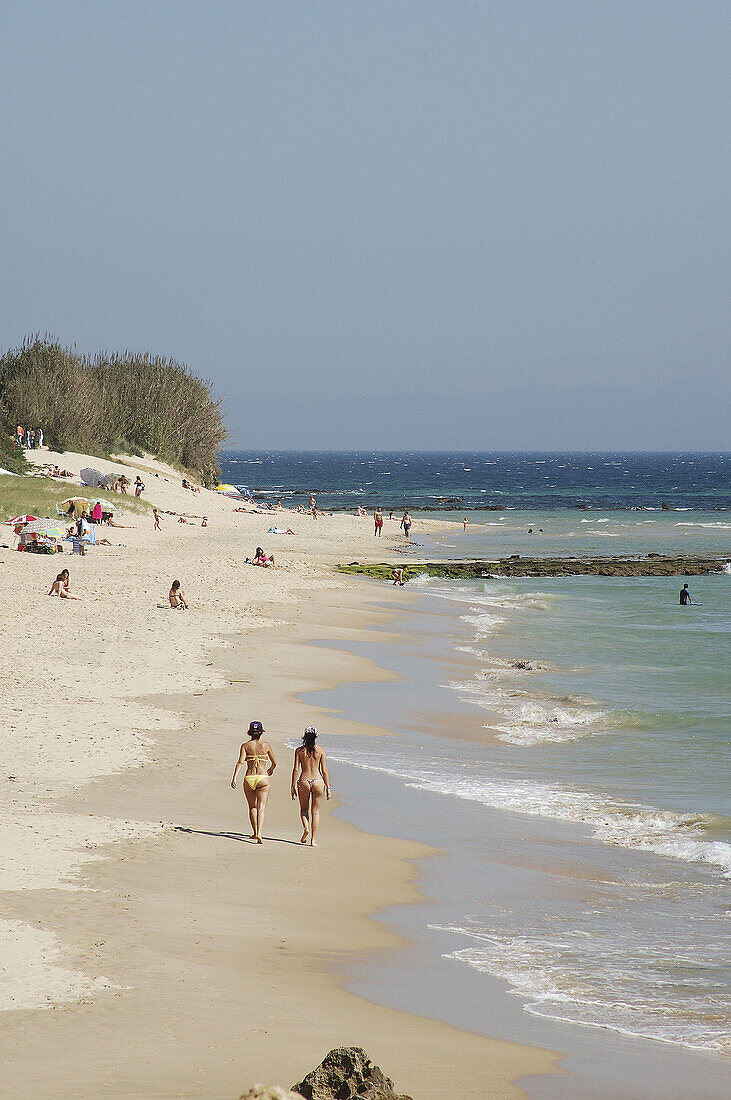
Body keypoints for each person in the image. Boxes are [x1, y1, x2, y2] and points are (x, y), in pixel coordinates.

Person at [230, 721, 277, 843]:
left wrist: (235, 776)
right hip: (262, 777)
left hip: (249, 778)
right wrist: (271, 769)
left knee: (252, 806)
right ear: (261, 732)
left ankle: (255, 832)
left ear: (249, 732)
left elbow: (240, 762)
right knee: (261, 807)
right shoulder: (266, 745)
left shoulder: (245, 746)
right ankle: (260, 833)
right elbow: (274, 762)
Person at [291, 726, 331, 846]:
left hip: (304, 780)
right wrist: (328, 787)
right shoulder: (321, 751)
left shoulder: (299, 751)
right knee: (316, 812)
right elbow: (324, 770)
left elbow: (296, 769)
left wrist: (293, 785)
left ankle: (306, 828)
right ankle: (313, 840)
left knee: (304, 809)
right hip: (318, 781)